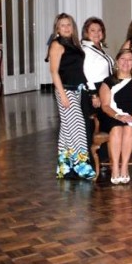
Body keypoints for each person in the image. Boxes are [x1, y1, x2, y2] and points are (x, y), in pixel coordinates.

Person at [48, 13, 96, 180]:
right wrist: (63, 95)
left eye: (69, 24)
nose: (66, 27)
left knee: (67, 130)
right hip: (65, 90)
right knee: (79, 128)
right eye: (62, 25)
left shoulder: (74, 44)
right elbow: (54, 72)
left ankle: (64, 167)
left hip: (77, 89)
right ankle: (82, 166)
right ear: (57, 28)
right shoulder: (56, 44)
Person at [98, 48, 132, 184]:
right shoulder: (108, 82)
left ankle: (124, 167)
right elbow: (105, 106)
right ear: (117, 62)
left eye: (130, 60)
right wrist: (118, 116)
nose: (126, 62)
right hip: (112, 116)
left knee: (128, 129)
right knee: (116, 129)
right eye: (123, 59)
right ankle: (115, 167)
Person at [81, 17, 114, 166]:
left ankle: (102, 158)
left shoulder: (98, 48)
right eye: (92, 30)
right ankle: (91, 162)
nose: (96, 33)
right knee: (92, 127)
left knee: (102, 124)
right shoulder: (86, 50)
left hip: (103, 88)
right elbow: (86, 73)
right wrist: (94, 95)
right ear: (86, 32)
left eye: (99, 30)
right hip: (93, 91)